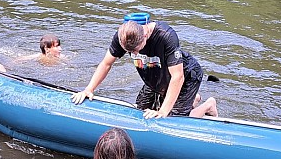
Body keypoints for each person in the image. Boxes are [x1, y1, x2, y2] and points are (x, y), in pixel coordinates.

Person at [71, 15, 207, 119]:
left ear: (145, 36)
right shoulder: (123, 35)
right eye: (130, 52)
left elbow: (177, 77)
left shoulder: (166, 36)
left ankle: (208, 105)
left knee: (172, 119)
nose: (135, 54)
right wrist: (89, 89)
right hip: (155, 74)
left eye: (136, 49)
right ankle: (192, 100)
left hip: (186, 75)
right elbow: (106, 63)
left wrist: (163, 111)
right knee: (140, 110)